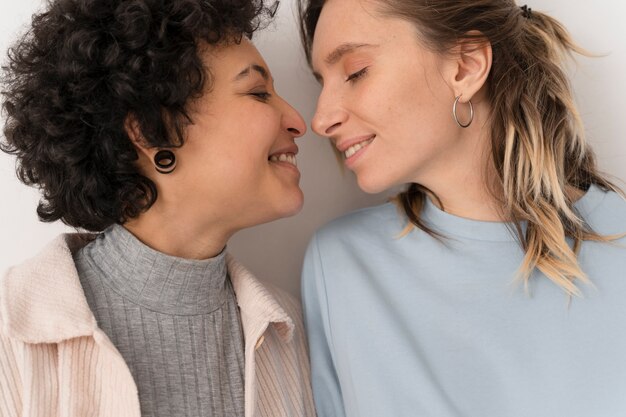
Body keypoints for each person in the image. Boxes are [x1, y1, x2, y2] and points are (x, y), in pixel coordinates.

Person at [297, 0, 626, 416]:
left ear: (466, 67)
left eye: (355, 71)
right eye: (321, 83)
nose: (320, 119)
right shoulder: (342, 268)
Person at [0, 0, 315, 416]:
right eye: (258, 93)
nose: (298, 120)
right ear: (153, 132)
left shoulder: (288, 331)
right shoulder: (9, 331)